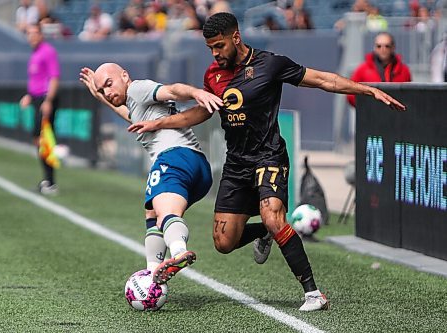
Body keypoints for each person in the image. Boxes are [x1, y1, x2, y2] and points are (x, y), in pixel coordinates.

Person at [128, 12, 405, 311]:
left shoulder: (270, 64)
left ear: (236, 37)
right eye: (210, 48)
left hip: (268, 155)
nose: (215, 53)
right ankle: (263, 232)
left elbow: (324, 80)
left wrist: (368, 89)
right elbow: (201, 112)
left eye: (219, 46)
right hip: (236, 164)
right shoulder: (213, 75)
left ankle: (313, 293)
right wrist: (160, 124)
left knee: (273, 215)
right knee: (224, 242)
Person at [79, 63, 223, 284]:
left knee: (164, 214)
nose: (107, 93)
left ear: (125, 76)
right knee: (153, 216)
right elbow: (126, 113)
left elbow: (172, 90)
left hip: (175, 158)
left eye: (109, 84)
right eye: (102, 91)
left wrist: (196, 93)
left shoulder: (138, 89)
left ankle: (178, 252)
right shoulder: (136, 104)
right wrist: (100, 96)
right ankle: (152, 273)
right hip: (197, 168)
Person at [19, 24, 60, 195]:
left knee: (44, 139)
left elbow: (53, 78)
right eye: (29, 34)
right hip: (37, 98)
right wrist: (30, 96)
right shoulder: (35, 53)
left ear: (41, 35)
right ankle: (47, 178)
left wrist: (48, 100)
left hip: (45, 99)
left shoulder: (48, 51)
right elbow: (37, 79)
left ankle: (50, 181)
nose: (32, 37)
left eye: (35, 33)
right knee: (38, 139)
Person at [347, 32, 412, 107]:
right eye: (379, 46)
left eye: (387, 46)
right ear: (374, 48)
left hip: (395, 114)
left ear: (393, 47)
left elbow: (409, 95)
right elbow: (350, 94)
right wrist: (365, 107)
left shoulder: (404, 70)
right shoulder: (362, 70)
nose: (383, 49)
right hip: (370, 115)